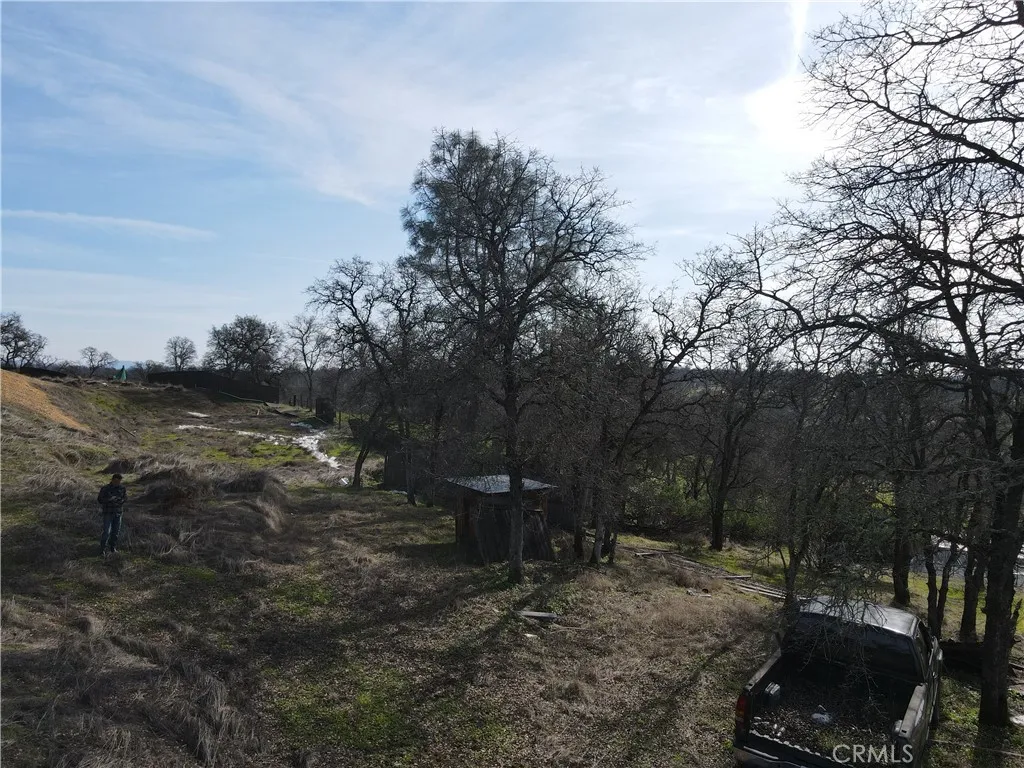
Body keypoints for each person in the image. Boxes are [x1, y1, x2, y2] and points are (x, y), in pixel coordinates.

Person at [97, 473, 127, 555]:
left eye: (119, 481)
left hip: (118, 513)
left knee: (115, 532)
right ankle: (102, 549)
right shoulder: (105, 488)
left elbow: (125, 498)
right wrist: (109, 500)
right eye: (116, 481)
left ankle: (112, 548)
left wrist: (120, 501)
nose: (118, 483)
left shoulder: (122, 488)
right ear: (112, 480)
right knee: (106, 532)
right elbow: (100, 499)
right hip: (108, 513)